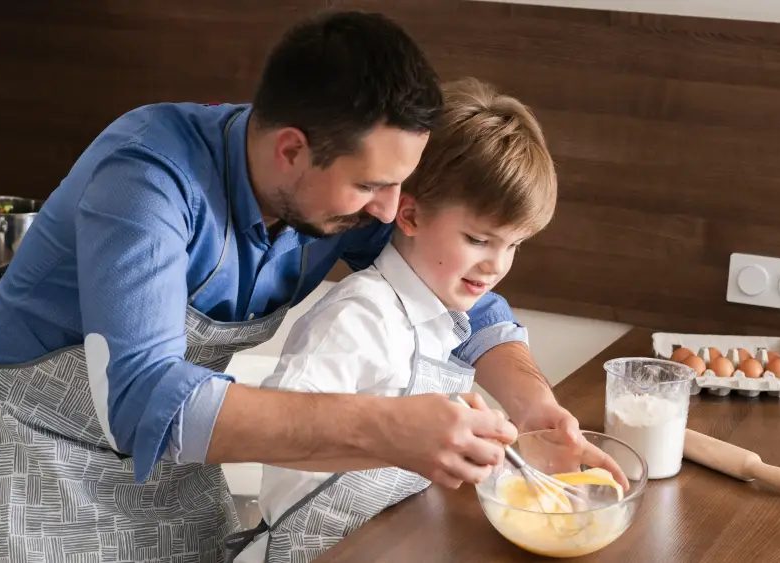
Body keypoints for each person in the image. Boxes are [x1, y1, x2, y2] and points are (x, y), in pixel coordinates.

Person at [0, 10, 585, 563]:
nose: (390, 211)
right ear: (291, 150)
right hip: (41, 437)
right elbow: (140, 402)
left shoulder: (340, 193)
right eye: (370, 186)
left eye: (400, 184)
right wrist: (386, 428)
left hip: (177, 438)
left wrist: (533, 408)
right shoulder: (146, 179)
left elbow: (452, 288)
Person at [226, 77, 625, 563]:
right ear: (409, 216)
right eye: (479, 240)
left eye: (513, 245)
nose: (496, 266)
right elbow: (278, 438)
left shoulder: (443, 316)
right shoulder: (358, 319)